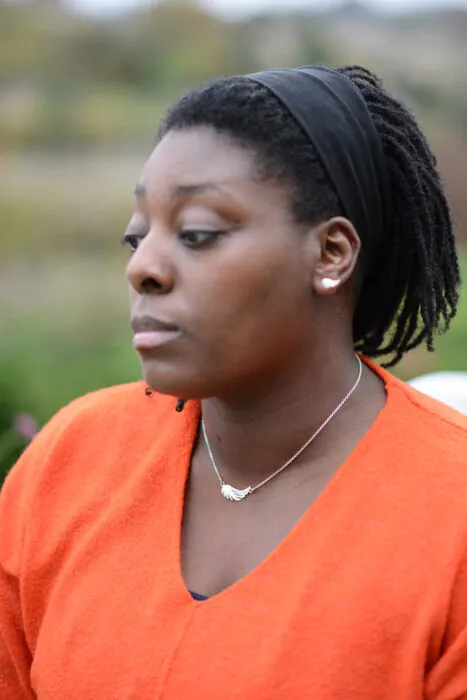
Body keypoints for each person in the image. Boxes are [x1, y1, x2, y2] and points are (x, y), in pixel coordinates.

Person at [0, 64, 466, 699]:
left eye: (197, 234)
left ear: (331, 253)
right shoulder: (70, 461)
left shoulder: (450, 514)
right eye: (136, 238)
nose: (143, 268)